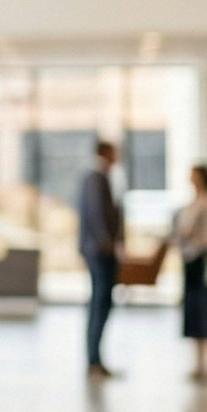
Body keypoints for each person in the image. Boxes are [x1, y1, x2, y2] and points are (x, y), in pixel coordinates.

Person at [174, 163, 207, 380]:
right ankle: (198, 363)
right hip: (190, 260)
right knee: (193, 311)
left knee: (206, 309)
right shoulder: (193, 203)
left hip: (202, 259)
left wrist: (192, 236)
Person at [78, 141, 124, 379]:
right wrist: (107, 241)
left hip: (100, 249)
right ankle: (94, 360)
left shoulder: (102, 177)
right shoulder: (96, 177)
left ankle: (96, 359)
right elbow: (97, 212)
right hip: (99, 251)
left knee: (101, 302)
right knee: (99, 303)